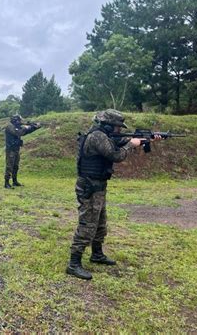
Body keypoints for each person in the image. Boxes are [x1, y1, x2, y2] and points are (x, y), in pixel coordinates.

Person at [66, 109, 161, 280]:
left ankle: (97, 254)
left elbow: (118, 141)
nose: (119, 130)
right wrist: (131, 144)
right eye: (117, 127)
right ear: (108, 125)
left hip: (98, 185)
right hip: (90, 186)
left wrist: (147, 139)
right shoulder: (97, 136)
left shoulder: (105, 135)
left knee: (100, 223)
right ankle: (73, 264)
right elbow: (115, 155)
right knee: (88, 224)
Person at [4, 114, 41, 188]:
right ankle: (6, 183)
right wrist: (26, 127)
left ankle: (15, 181)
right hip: (10, 150)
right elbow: (19, 132)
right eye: (19, 120)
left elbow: (25, 132)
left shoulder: (17, 127)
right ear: (15, 120)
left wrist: (34, 127)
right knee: (9, 166)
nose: (20, 121)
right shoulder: (10, 126)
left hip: (16, 149)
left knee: (16, 166)